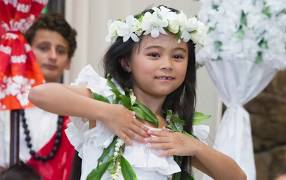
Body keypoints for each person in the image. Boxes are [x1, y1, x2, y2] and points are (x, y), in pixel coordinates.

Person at [28, 5, 246, 180]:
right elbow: (39, 94)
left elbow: (237, 177)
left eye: (178, 56)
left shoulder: (174, 132)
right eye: (154, 54)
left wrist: (196, 147)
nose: (167, 64)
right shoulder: (108, 100)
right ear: (126, 62)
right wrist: (108, 113)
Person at [0, 13, 77, 180]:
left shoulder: (77, 110)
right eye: (43, 48)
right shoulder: (6, 103)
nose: (52, 56)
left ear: (69, 61)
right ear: (26, 51)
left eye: (61, 51)